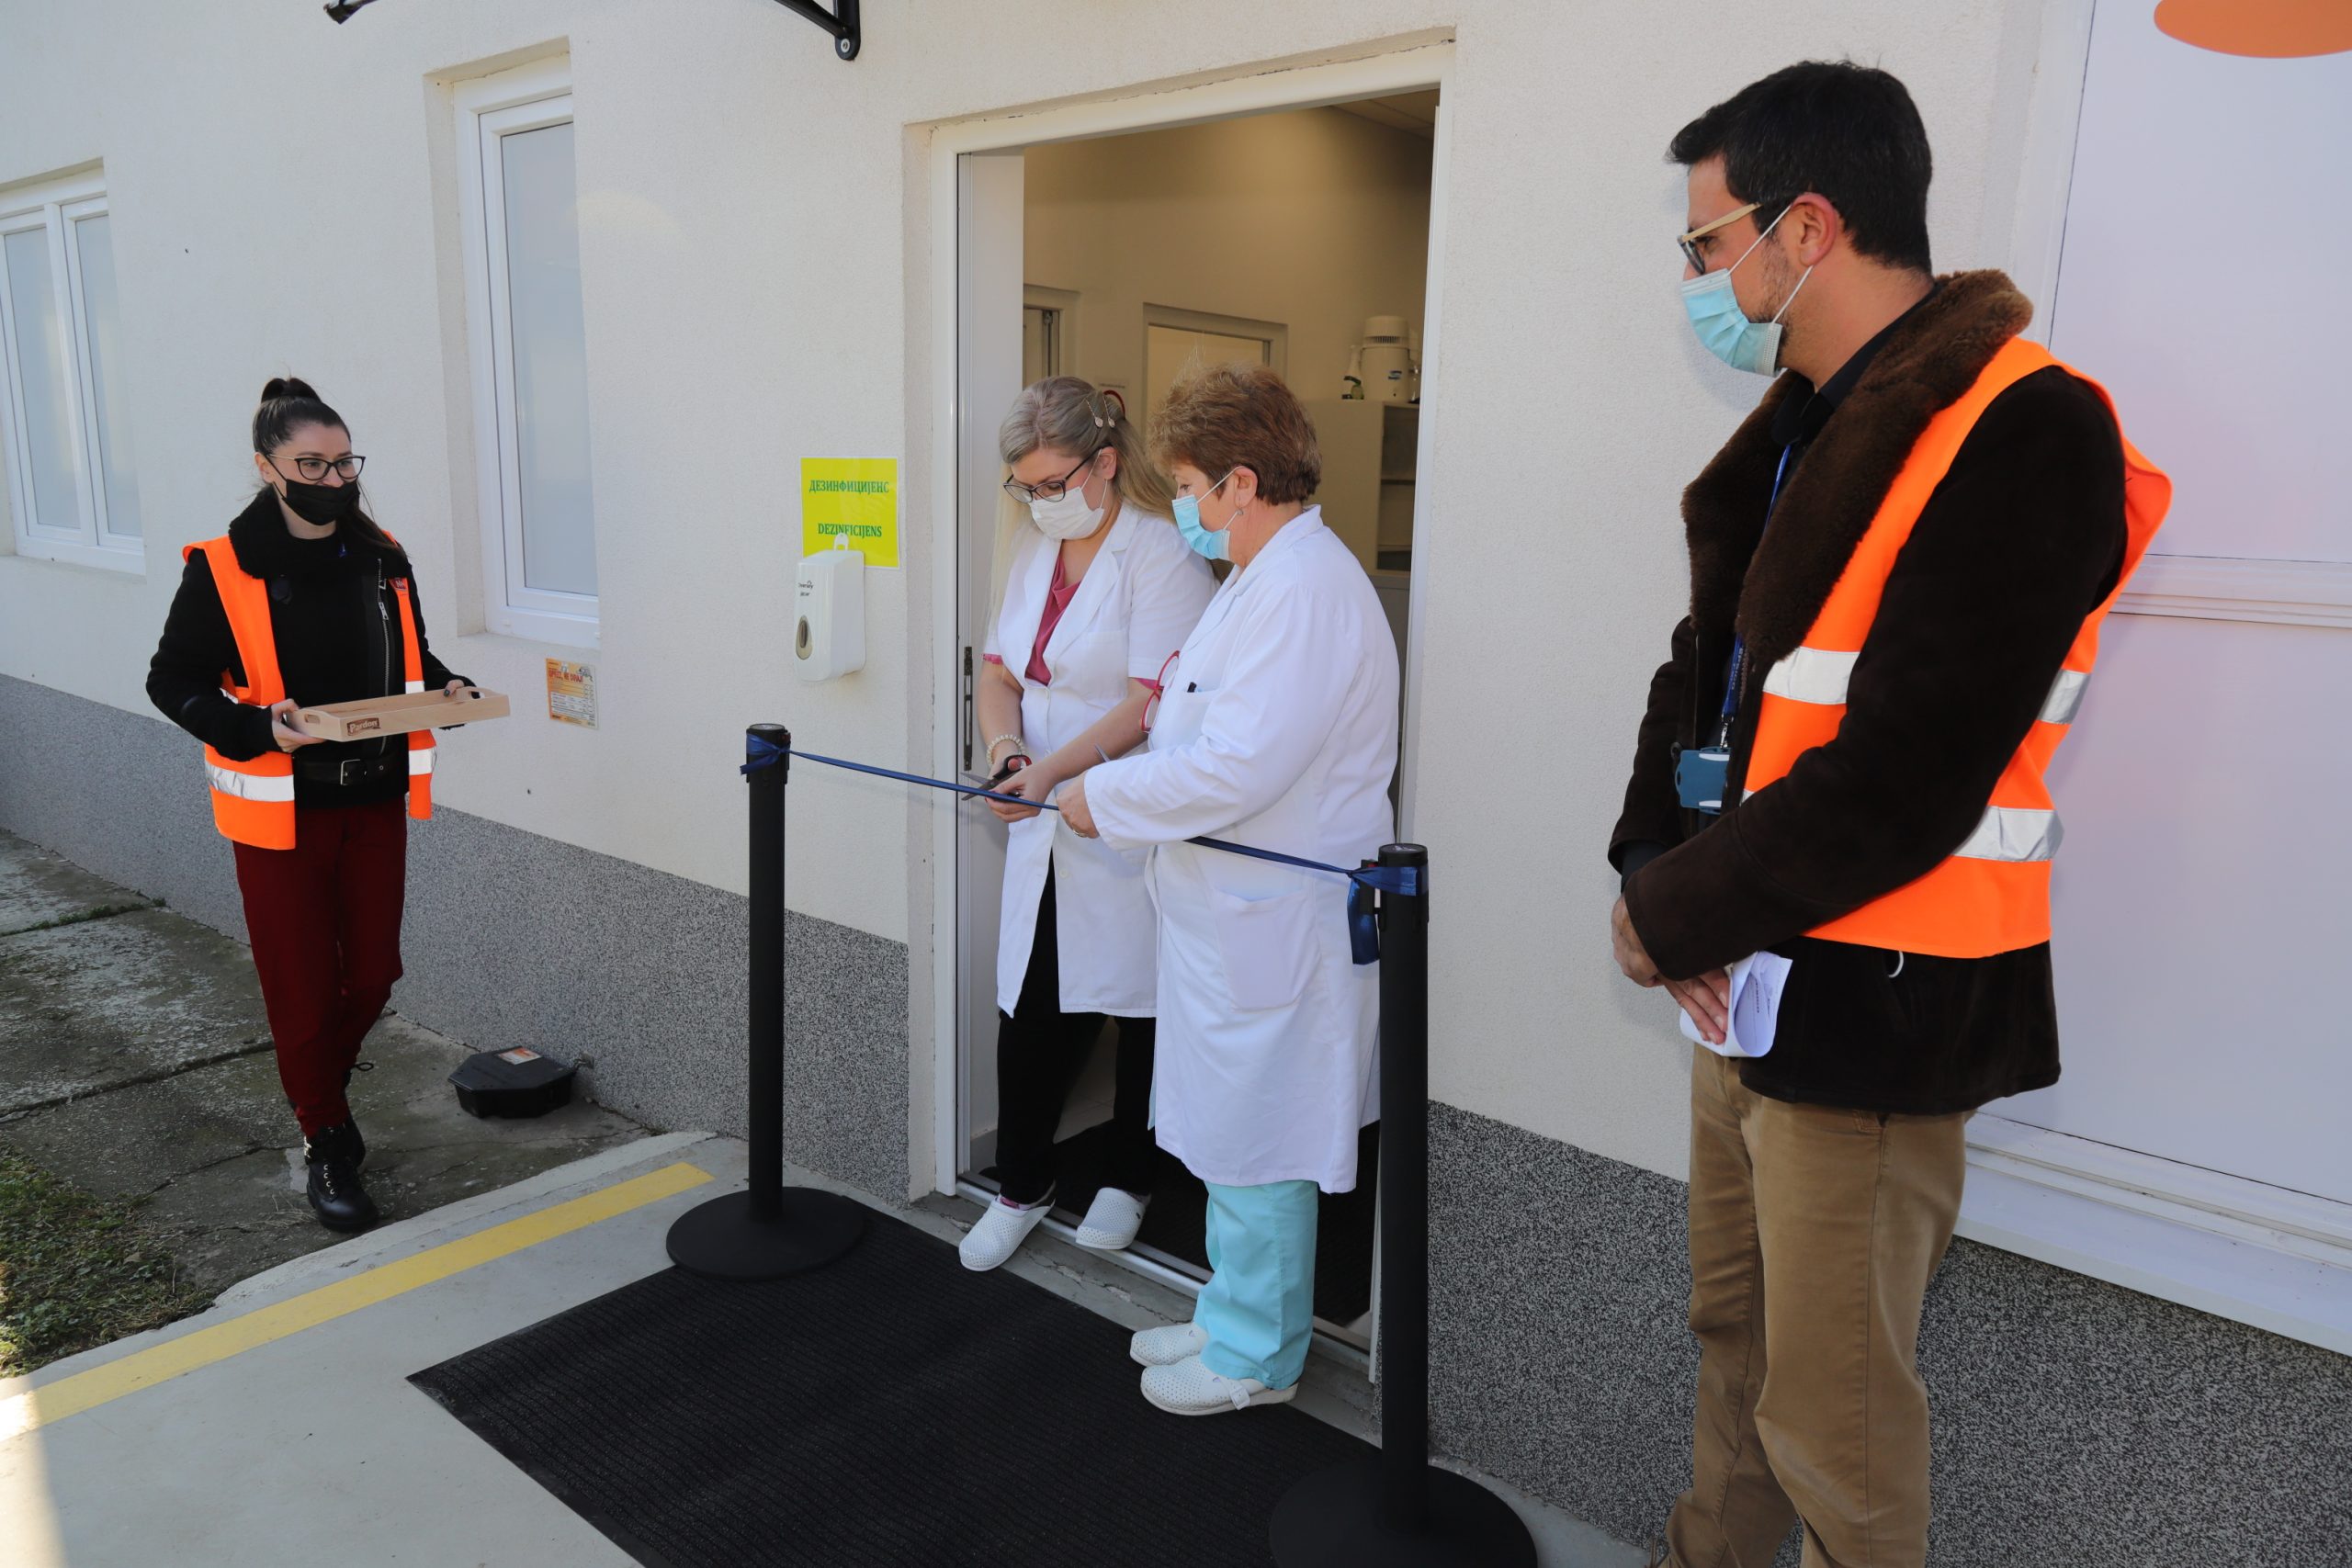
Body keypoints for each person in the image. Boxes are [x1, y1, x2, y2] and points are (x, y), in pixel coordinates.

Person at [1607, 64, 2169, 1568]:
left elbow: (1912, 773)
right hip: (1745, 977)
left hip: (1876, 1008)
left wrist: (1665, 915)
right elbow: (1707, 679)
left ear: (1807, 228)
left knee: (1837, 1430)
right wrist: (1655, 864)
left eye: (1706, 240)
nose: (1699, 276)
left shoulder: (2025, 425)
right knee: (1737, 1348)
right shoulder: (1806, 423)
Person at [1062, 363, 1398, 1416]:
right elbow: (1191, 724)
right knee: (1222, 1135)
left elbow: (1235, 770)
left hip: (1274, 932)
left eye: (1189, 489)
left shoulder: (1304, 590)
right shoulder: (1258, 579)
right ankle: (1227, 1316)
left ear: (1240, 483)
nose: (1188, 511)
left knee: (1259, 1145)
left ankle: (1256, 1357)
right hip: (1228, 924)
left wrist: (1101, 796)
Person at [148, 377, 478, 1235]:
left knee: (371, 975)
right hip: (280, 816)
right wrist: (257, 728)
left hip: (373, 799)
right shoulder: (220, 567)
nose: (334, 480)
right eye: (312, 465)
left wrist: (448, 689)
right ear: (267, 468)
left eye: (344, 462)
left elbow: (413, 654)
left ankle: (316, 1090)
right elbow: (172, 680)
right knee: (301, 989)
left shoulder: (383, 554)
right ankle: (327, 1138)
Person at [957, 378, 1216, 1271]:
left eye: (1053, 483)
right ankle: (1022, 1183)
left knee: (1142, 1005)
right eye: (1025, 486)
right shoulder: (1035, 548)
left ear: (1105, 463)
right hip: (1044, 810)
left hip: (1125, 810)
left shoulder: (1162, 551)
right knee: (1031, 1003)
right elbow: (999, 673)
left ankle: (1130, 1178)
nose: (1039, 501)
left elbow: (1151, 702)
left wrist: (1053, 771)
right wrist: (1006, 753)